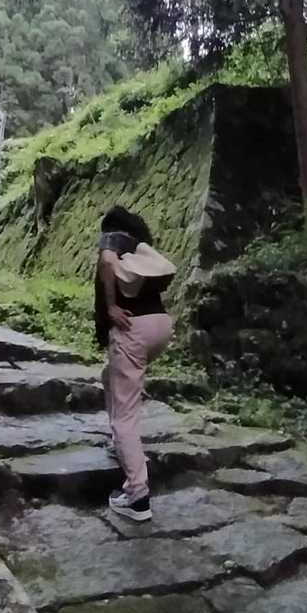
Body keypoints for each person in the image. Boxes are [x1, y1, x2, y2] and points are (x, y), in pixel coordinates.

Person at [95, 206, 175, 522]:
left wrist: (111, 307)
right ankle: (121, 445)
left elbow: (106, 261)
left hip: (133, 328)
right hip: (160, 326)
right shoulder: (140, 249)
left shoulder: (113, 238)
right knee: (110, 376)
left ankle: (137, 497)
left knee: (124, 415)